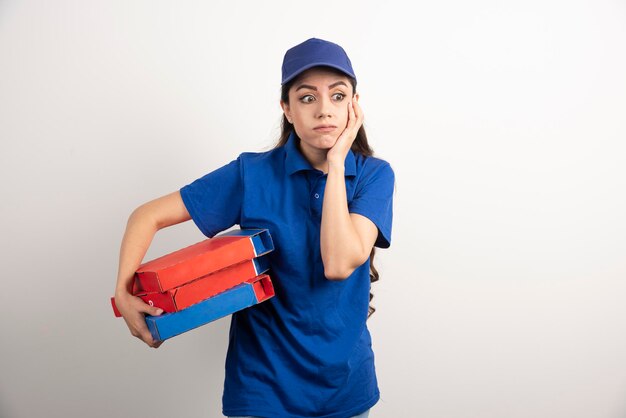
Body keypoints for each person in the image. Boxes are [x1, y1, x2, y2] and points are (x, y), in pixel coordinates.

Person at [114, 38, 395, 418]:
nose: (324, 110)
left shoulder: (373, 176)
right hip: (263, 388)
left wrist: (336, 161)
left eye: (338, 96)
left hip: (345, 388)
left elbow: (339, 263)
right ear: (287, 109)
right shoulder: (252, 174)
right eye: (307, 97)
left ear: (354, 106)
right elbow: (146, 216)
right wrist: (123, 290)